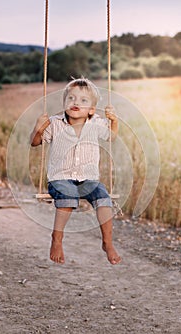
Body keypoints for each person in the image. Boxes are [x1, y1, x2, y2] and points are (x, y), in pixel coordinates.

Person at [30, 77, 121, 265]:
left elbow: (111, 137)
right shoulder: (55, 123)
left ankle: (107, 242)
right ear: (64, 103)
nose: (75, 103)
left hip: (89, 179)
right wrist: (38, 129)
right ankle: (57, 238)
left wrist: (114, 121)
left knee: (104, 198)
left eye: (83, 100)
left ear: (92, 110)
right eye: (71, 98)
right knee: (68, 196)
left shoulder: (96, 123)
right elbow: (35, 142)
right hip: (61, 178)